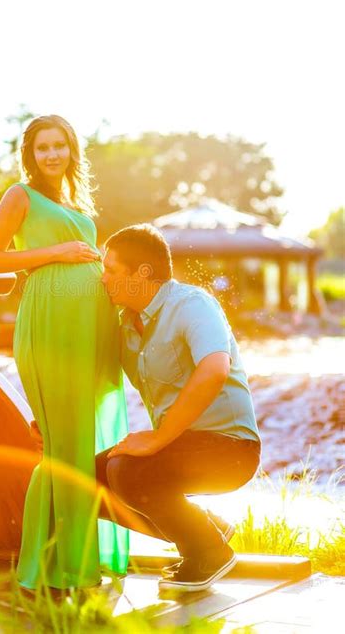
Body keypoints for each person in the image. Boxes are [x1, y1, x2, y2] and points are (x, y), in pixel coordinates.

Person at [0, 114, 129, 590]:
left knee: (86, 439)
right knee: (61, 442)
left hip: (91, 327)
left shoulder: (75, 198)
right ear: (30, 153)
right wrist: (57, 253)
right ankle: (55, 562)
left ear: (71, 150)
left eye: (59, 146)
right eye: (42, 147)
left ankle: (81, 554)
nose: (51, 155)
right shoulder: (18, 196)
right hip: (49, 325)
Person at [97, 223, 261, 592]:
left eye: (110, 269)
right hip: (178, 448)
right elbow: (85, 374)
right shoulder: (124, 326)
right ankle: (207, 530)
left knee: (124, 471)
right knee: (89, 480)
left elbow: (214, 369)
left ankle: (208, 553)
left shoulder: (192, 304)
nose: (102, 278)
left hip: (230, 449)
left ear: (142, 273)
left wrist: (158, 438)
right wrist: (47, 420)